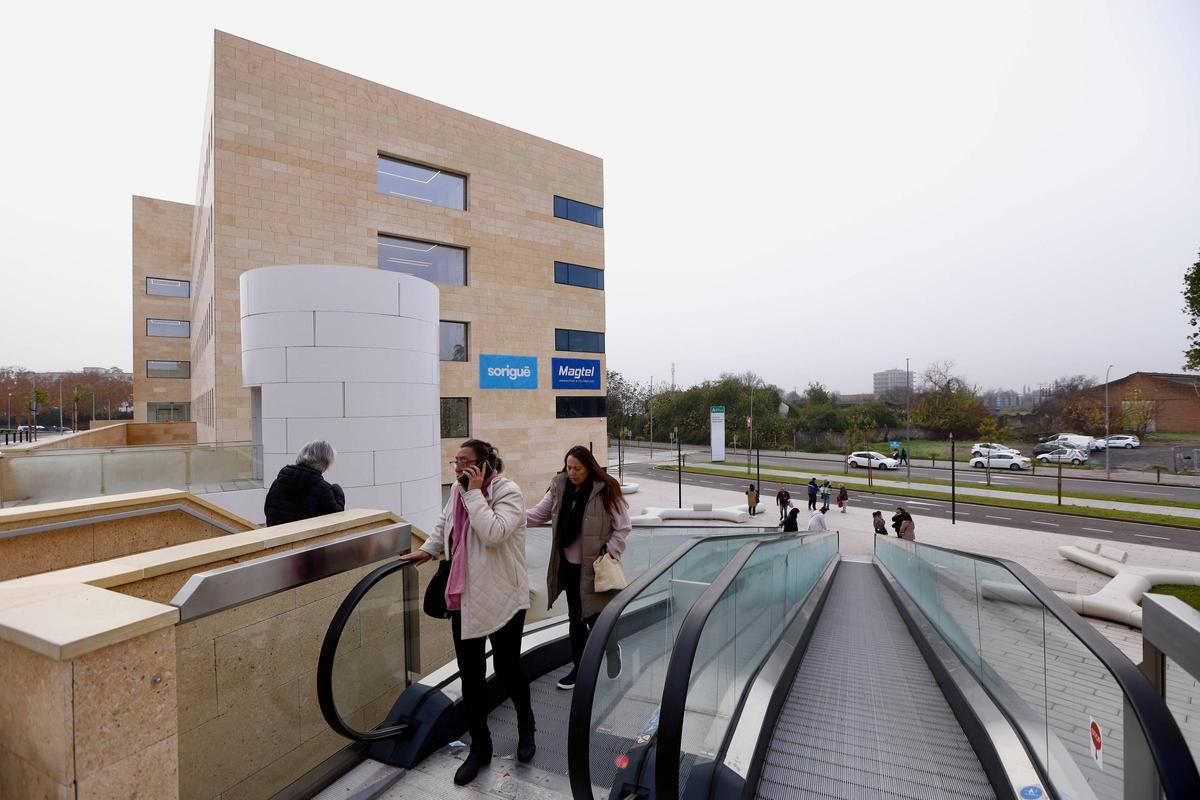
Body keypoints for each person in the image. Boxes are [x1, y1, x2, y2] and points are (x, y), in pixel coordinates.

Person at [398, 439, 533, 785]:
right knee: (470, 675)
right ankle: (480, 748)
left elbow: (494, 533)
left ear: (486, 464)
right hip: (464, 597)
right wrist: (428, 550)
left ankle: (526, 725)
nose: (458, 469)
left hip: (504, 597)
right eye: (456, 462)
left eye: (466, 462)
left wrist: (474, 492)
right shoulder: (459, 492)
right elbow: (447, 526)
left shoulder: (508, 492)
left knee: (507, 668)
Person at [527, 445, 630, 691]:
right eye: (569, 467)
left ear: (589, 467)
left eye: (577, 468)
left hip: (595, 568)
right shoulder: (559, 487)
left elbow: (623, 526)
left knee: (597, 618)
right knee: (575, 620)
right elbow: (539, 514)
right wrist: (508, 518)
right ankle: (579, 670)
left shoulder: (605, 490)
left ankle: (612, 649)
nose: (572, 473)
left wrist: (609, 551)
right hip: (569, 568)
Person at [263, 440, 345, 525]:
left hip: (276, 535)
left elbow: (267, 510)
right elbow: (336, 516)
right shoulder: (322, 488)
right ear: (325, 462)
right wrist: (337, 490)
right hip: (304, 537)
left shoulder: (278, 481)